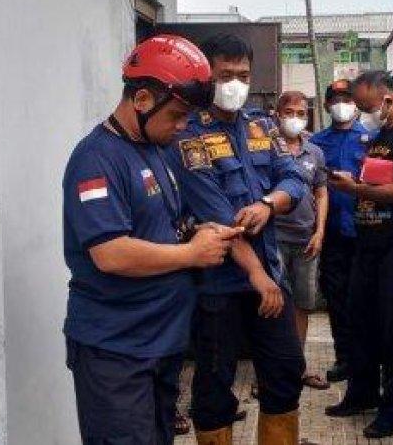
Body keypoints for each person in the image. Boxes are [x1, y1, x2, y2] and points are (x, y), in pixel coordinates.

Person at [62, 35, 244, 445]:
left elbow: (164, 224)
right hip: (118, 352)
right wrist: (191, 254)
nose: (183, 127)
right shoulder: (97, 159)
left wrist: (198, 232)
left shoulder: (155, 150)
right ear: (142, 99)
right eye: (178, 116)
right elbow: (110, 253)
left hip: (160, 343)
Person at [165, 33, 308, 445]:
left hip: (268, 280)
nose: (235, 83)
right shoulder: (187, 135)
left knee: (284, 373)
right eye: (225, 74)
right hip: (219, 288)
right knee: (213, 391)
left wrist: (268, 203)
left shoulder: (262, 125)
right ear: (207, 75)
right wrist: (259, 275)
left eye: (242, 74)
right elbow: (217, 217)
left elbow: (294, 176)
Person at [326, 70, 393, 439]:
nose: (361, 112)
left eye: (366, 105)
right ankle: (361, 393)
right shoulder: (380, 136)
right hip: (366, 243)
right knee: (359, 322)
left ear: (387, 98)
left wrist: (353, 189)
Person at [309, 79, 373, 385]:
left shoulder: (372, 139)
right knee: (336, 298)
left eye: (348, 98)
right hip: (332, 232)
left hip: (363, 231)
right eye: (336, 99)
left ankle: (366, 359)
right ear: (326, 105)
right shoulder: (317, 143)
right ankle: (344, 358)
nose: (342, 104)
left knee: (362, 299)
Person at [272, 90, 331, 390]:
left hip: (307, 240)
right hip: (275, 238)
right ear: (277, 113)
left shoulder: (315, 152)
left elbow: (321, 192)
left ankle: (298, 367)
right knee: (274, 306)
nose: (295, 118)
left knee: (303, 306)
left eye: (301, 113)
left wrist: (320, 231)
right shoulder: (267, 148)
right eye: (289, 112)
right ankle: (271, 372)